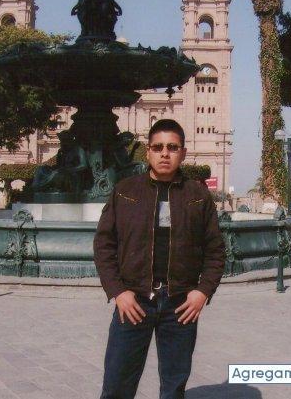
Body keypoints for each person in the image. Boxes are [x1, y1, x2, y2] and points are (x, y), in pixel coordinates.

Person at [94, 119, 226, 399]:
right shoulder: (125, 191)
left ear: (183, 153)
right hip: (134, 301)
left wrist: (202, 292)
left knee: (174, 387)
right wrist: (118, 291)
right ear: (148, 152)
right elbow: (104, 245)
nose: (165, 153)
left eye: (172, 147)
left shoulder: (198, 196)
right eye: (158, 147)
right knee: (117, 383)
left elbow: (215, 250)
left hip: (180, 304)